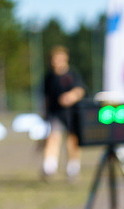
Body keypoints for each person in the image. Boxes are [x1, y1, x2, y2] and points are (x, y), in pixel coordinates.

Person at [42, 46, 85, 180]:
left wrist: (71, 96)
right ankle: (49, 167)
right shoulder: (49, 76)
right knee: (53, 137)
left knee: (72, 140)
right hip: (55, 113)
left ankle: (72, 168)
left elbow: (81, 90)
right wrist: (45, 112)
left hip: (72, 113)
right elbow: (45, 96)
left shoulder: (72, 74)